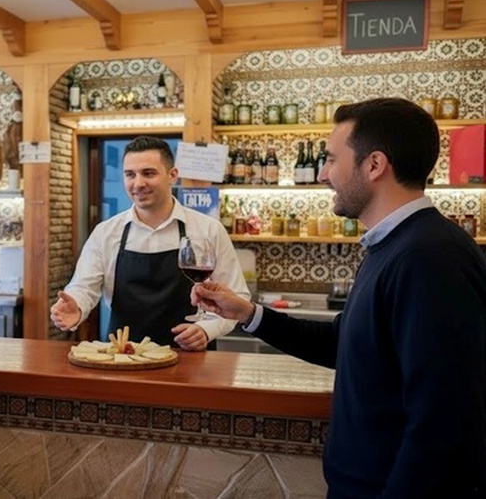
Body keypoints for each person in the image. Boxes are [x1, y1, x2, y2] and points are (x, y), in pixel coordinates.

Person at [193, 98, 486, 498]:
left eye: (331, 159)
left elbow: (445, 421)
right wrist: (248, 313)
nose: (324, 174)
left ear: (375, 165)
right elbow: (343, 344)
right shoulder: (393, 247)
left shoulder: (428, 256)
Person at [51, 135, 249, 350]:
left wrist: (207, 329)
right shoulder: (106, 233)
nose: (138, 183)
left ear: (172, 175)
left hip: (192, 357)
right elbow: (83, 286)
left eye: (148, 173)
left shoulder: (208, 229)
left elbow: (237, 297)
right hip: (124, 356)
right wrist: (76, 305)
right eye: (130, 175)